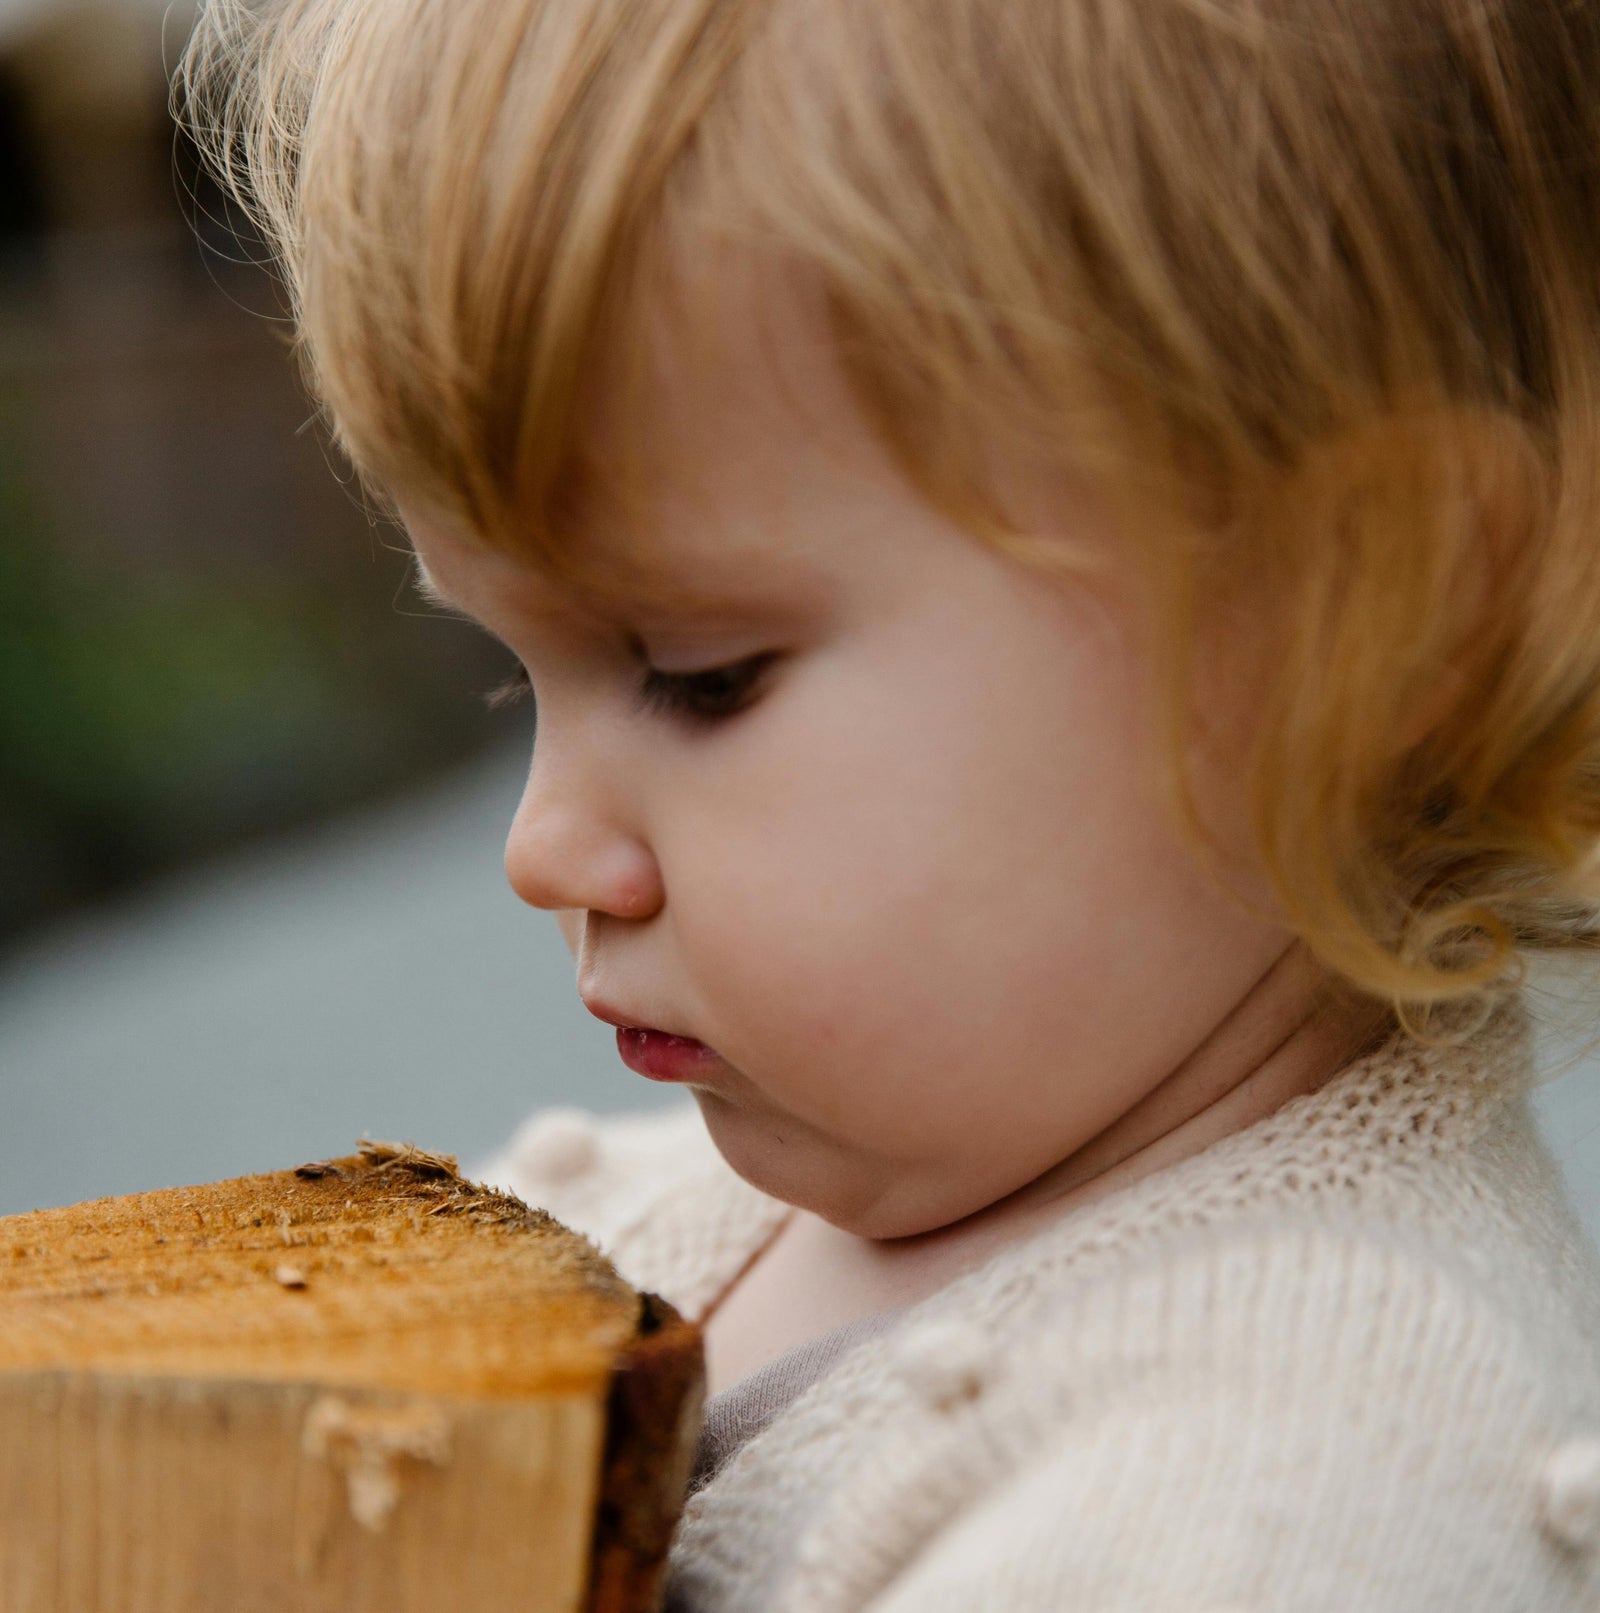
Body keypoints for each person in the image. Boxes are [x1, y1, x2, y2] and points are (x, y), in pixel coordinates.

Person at [179, 1, 1600, 1606]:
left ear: (1371, 617)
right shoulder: (617, 1220)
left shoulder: (1290, 1496)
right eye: (517, 675)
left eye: (702, 673)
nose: (542, 847)